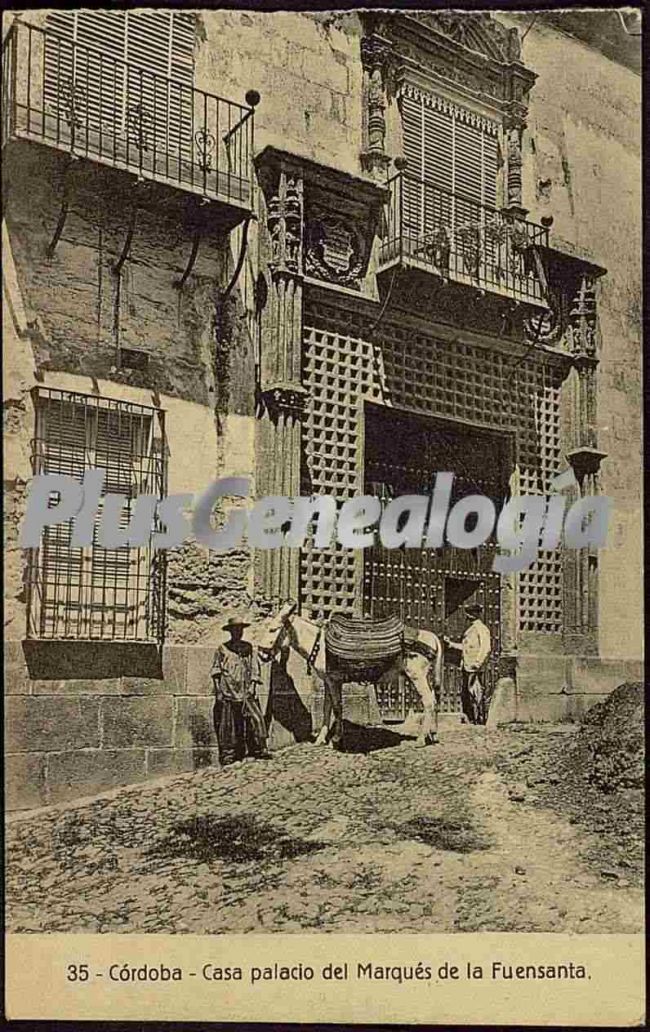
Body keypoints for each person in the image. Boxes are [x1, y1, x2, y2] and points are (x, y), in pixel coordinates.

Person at [211, 616, 271, 766]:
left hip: (246, 691)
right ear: (230, 632)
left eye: (240, 630)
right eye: (235, 630)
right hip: (228, 691)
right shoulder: (222, 648)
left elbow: (254, 668)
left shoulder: (248, 648)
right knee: (229, 724)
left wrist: (253, 686)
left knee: (255, 720)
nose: (238, 633)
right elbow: (216, 671)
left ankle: (257, 749)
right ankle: (229, 755)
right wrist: (218, 691)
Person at [443, 603, 492, 725]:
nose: (468, 616)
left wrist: (478, 662)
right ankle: (473, 718)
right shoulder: (471, 629)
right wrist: (451, 644)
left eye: (470, 613)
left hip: (474, 667)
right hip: (467, 665)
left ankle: (480, 719)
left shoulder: (481, 629)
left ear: (475, 614)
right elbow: (466, 647)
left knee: (476, 692)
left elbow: (486, 647)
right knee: (470, 692)